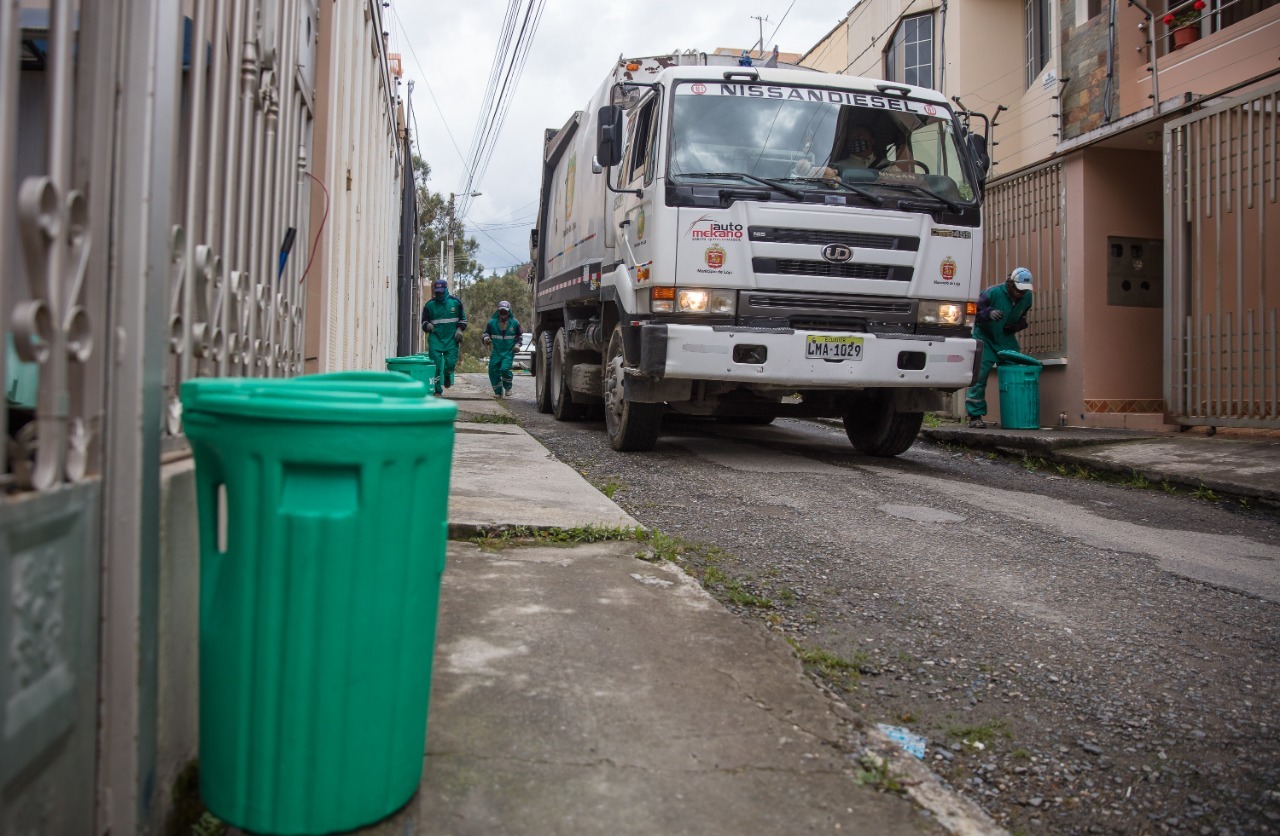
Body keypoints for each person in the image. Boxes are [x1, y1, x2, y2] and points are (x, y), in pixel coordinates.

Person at [965, 267, 1034, 428]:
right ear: (1010, 284)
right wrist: (988, 313)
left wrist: (1018, 325)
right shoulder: (992, 293)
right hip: (985, 338)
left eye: (1024, 291)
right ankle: (975, 415)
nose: (1020, 294)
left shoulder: (1027, 297)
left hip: (1006, 339)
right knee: (980, 376)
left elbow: (1023, 316)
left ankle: (1016, 415)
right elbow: (973, 312)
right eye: (1018, 290)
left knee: (1016, 375)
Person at [421, 278, 467, 396]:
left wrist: (459, 330)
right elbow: (423, 322)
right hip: (436, 338)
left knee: (450, 362)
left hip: (451, 338)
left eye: (441, 291)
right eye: (437, 292)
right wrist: (427, 325)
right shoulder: (429, 305)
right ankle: (437, 389)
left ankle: (447, 375)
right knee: (435, 365)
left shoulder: (455, 303)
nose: (439, 294)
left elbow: (463, 319)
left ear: (446, 290)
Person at [481, 300, 523, 398]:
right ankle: (498, 392)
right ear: (498, 311)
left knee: (504, 369)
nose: (503, 314)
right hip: (496, 351)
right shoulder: (491, 322)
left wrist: (517, 345)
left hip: (508, 351)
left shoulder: (515, 323)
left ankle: (508, 387)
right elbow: (486, 333)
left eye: (505, 311)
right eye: (501, 311)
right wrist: (486, 338)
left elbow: (520, 336)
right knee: (492, 370)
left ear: (509, 311)